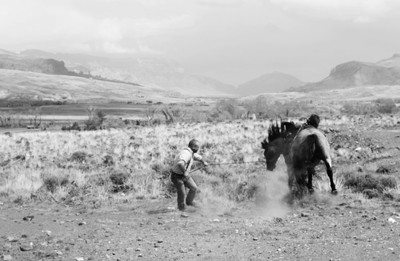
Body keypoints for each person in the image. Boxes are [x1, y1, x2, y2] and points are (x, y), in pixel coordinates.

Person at [170, 139, 208, 211]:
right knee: (182, 193)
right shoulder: (186, 153)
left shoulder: (191, 153)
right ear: (193, 146)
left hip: (184, 175)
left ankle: (189, 202)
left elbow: (198, 157)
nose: (198, 149)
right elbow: (180, 163)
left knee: (194, 188)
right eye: (197, 147)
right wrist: (185, 172)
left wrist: (204, 162)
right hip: (177, 177)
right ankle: (181, 209)